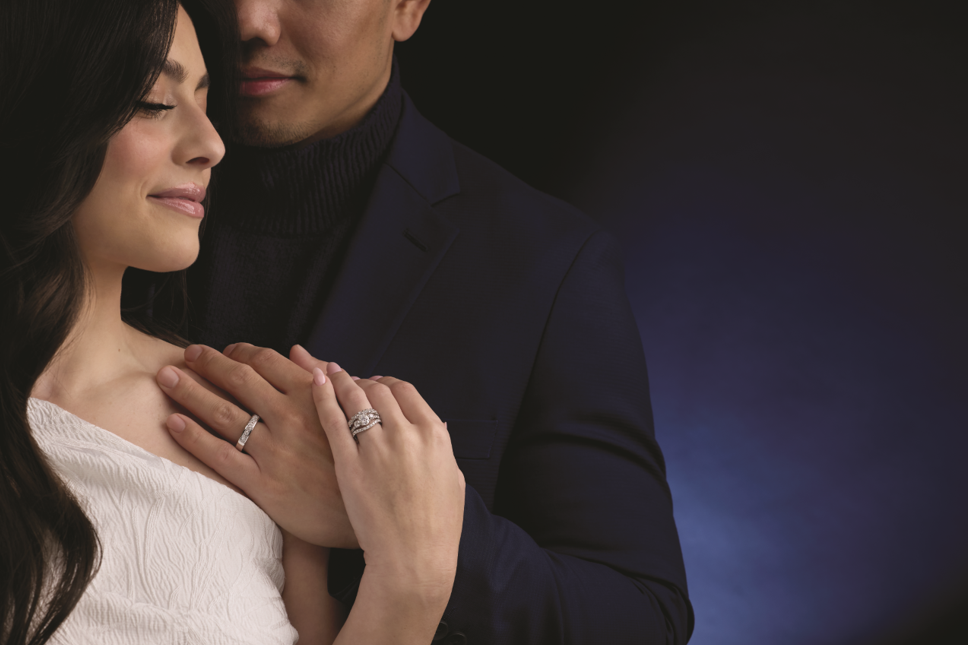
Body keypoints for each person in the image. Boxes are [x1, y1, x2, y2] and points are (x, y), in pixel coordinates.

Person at [152, 0, 695, 643]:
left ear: (407, 7)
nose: (250, 22)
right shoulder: (79, 213)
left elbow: (641, 617)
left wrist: (390, 518)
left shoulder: (548, 263)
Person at [0, 1, 463, 643]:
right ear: (36, 112)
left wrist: (414, 578)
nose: (213, 145)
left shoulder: (254, 432)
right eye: (154, 102)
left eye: (206, 101)